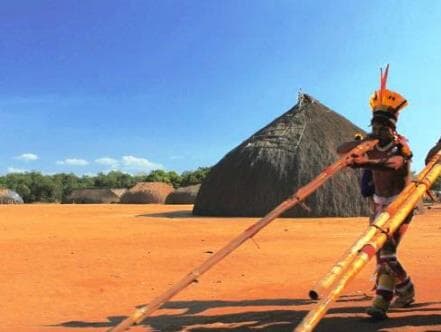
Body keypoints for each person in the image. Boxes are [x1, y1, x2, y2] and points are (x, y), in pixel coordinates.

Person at [337, 65, 414, 320]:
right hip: (379, 206)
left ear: (392, 129)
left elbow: (395, 166)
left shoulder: (400, 147)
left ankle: (382, 301)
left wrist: (365, 162)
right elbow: (341, 148)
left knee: (387, 252)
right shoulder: (371, 144)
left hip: (400, 206)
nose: (379, 132)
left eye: (383, 129)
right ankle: (406, 288)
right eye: (375, 127)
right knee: (380, 253)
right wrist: (362, 143)